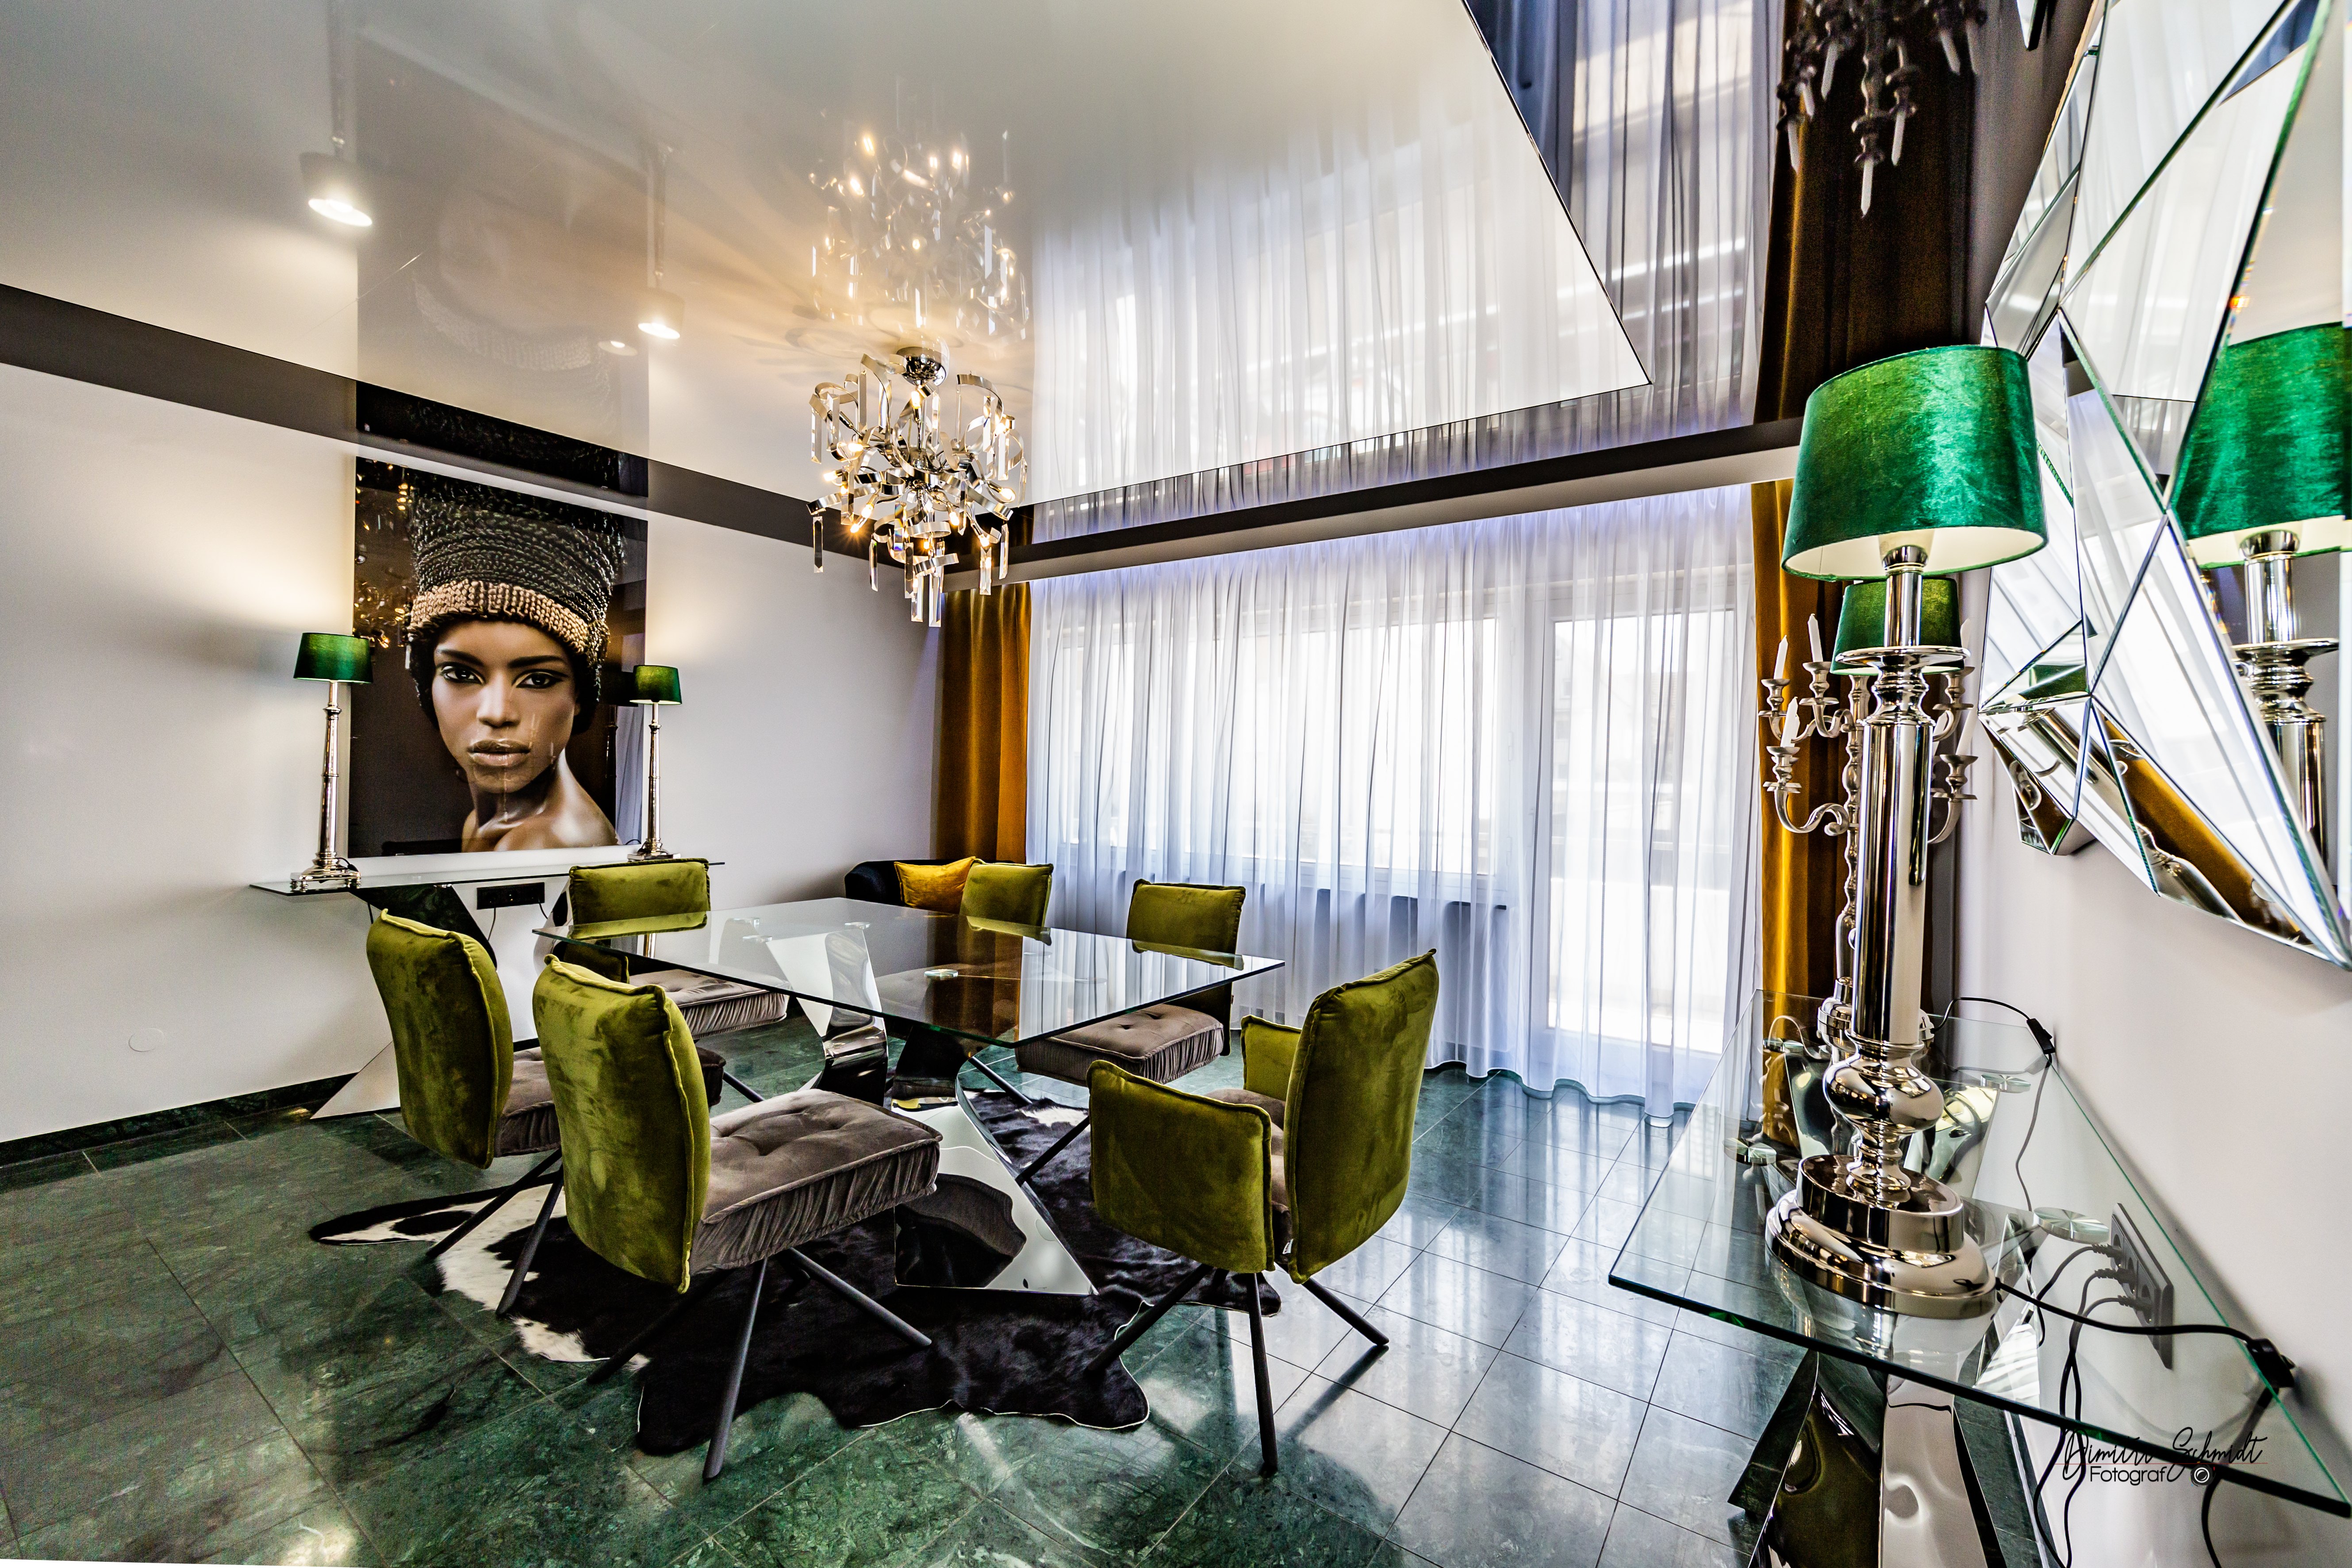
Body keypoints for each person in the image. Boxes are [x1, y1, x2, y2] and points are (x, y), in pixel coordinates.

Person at [403, 474, 626, 851]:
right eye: (461, 673)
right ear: (428, 684)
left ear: (578, 695)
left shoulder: (537, 841)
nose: (496, 713)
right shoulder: (484, 823)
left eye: (538, 679)